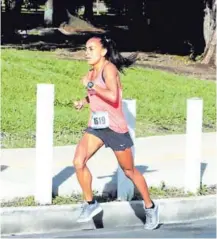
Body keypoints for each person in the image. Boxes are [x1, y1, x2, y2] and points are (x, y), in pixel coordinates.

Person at [73, 35, 159, 230]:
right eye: (86, 49)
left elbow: (114, 98)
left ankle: (151, 207)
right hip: (96, 127)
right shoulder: (92, 71)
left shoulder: (109, 69)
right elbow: (95, 93)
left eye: (91, 49)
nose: (87, 53)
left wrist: (90, 85)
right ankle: (90, 203)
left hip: (115, 128)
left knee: (129, 171)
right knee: (79, 162)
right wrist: (84, 101)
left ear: (103, 51)